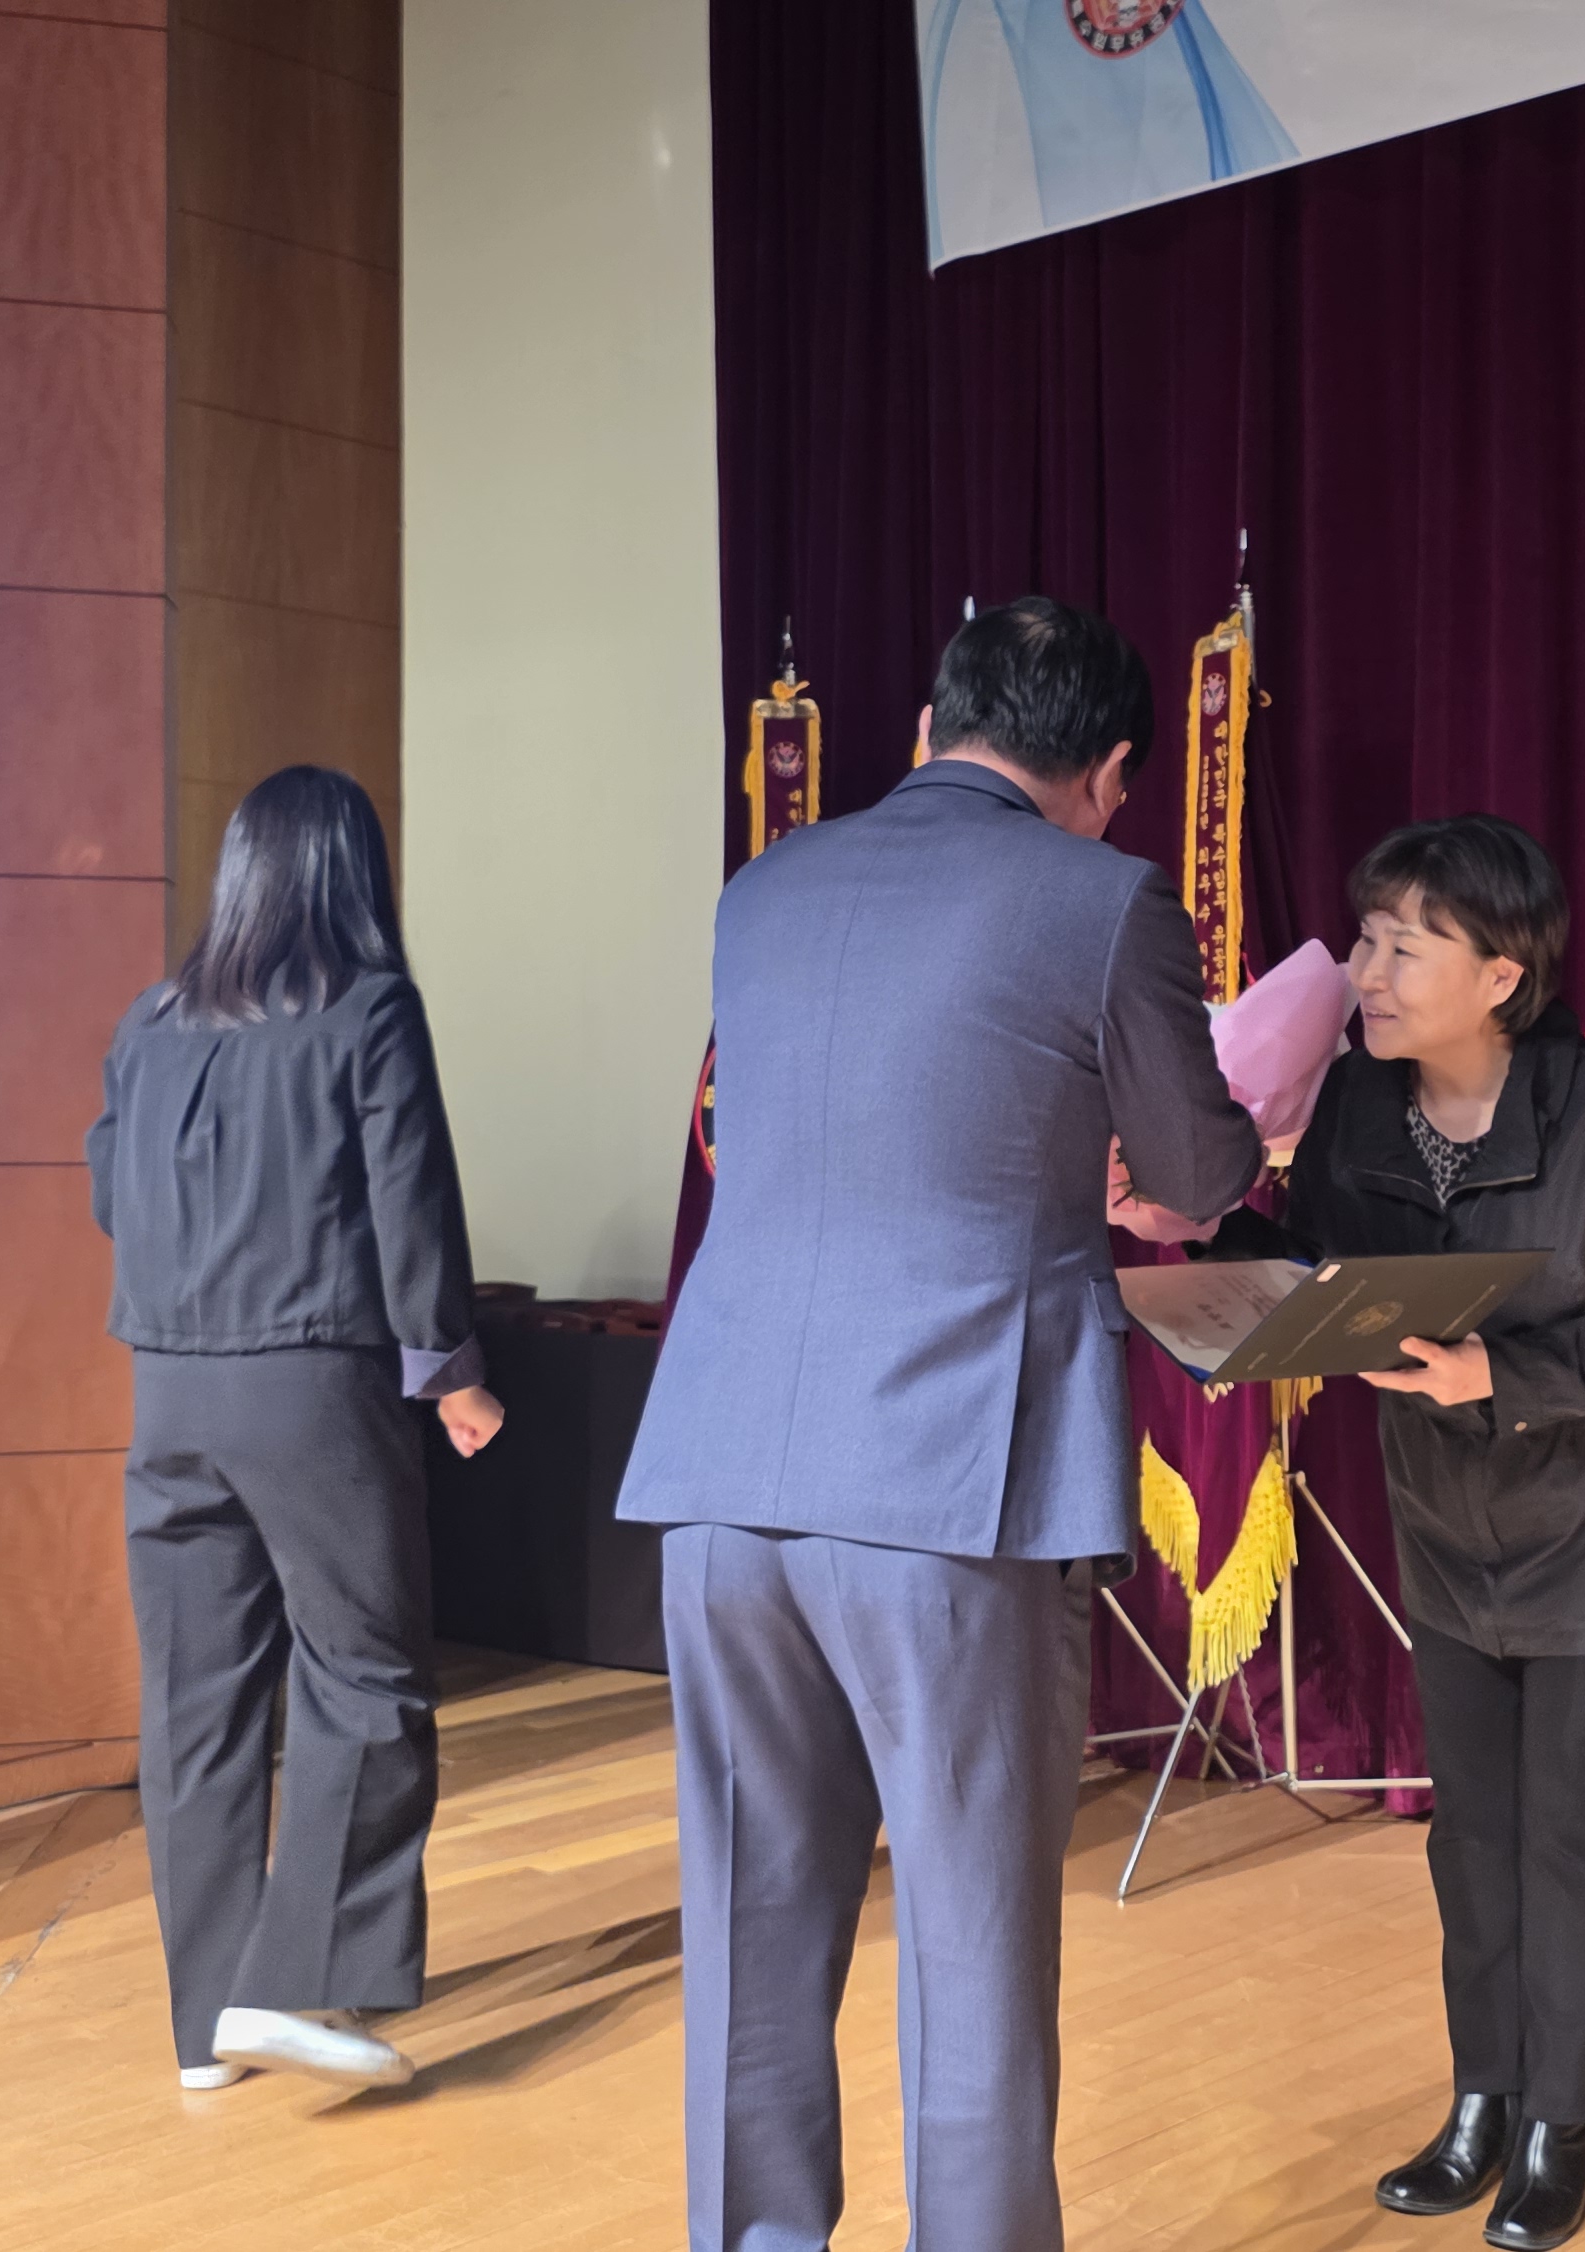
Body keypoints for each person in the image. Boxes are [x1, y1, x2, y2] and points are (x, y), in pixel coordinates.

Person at [620, 597, 1266, 2252]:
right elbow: (1199, 1172)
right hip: (949, 1482)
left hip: (722, 1469)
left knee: (751, 1926)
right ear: (1109, 772)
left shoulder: (766, 888)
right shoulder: (1104, 899)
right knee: (971, 1946)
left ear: (928, 727)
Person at [1196, 815, 1585, 2252]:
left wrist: (1505, 1372)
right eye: (1365, 939)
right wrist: (1202, 1248)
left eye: (1402, 946)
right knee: (1471, 1835)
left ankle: (1560, 2121)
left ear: (1502, 976)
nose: (1364, 972)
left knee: (1568, 1834)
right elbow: (1314, 1265)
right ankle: (1480, 2101)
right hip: (1446, 1521)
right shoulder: (1361, 1108)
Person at [85, 763, 504, 2093]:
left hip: (167, 1393)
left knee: (193, 1703)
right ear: (352, 874)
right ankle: (294, 1981)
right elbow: (409, 1200)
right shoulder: (368, 1009)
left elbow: (109, 1193)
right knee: (365, 1672)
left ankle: (204, 2027)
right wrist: (452, 1374)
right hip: (313, 1382)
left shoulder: (151, 1021)